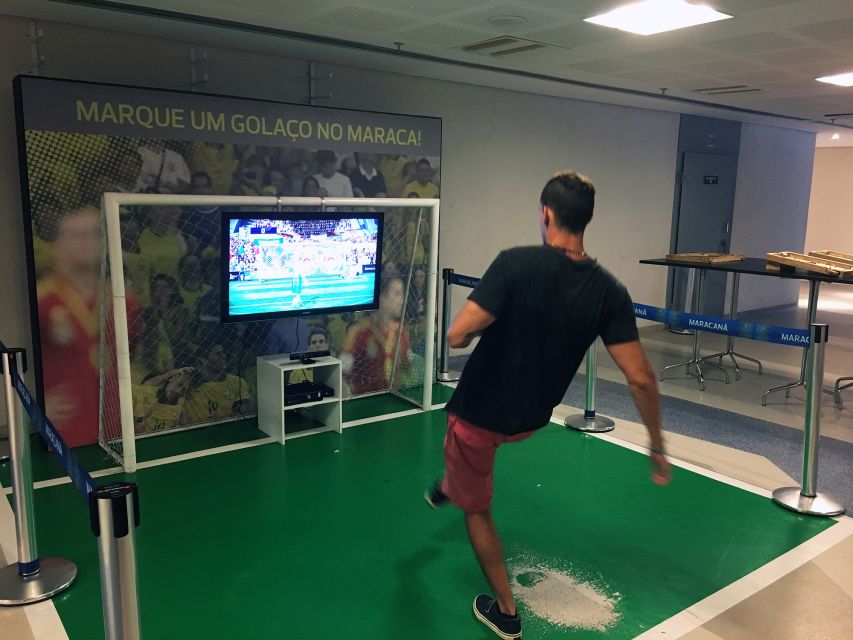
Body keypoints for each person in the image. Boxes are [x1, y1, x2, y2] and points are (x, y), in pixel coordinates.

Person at [425, 171, 671, 640]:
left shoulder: (515, 266)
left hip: (479, 414)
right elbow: (640, 377)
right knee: (467, 464)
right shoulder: (610, 292)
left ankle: (506, 613)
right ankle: (453, 481)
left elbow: (456, 334)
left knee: (476, 505)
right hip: (530, 419)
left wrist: (488, 320)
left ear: (546, 215)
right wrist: (657, 447)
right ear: (586, 221)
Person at [340, 277, 409, 395]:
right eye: (397, 294)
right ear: (381, 298)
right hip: (364, 403)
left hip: (395, 398)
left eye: (402, 294)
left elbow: (406, 365)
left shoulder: (401, 331)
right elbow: (341, 373)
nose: (401, 300)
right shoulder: (357, 331)